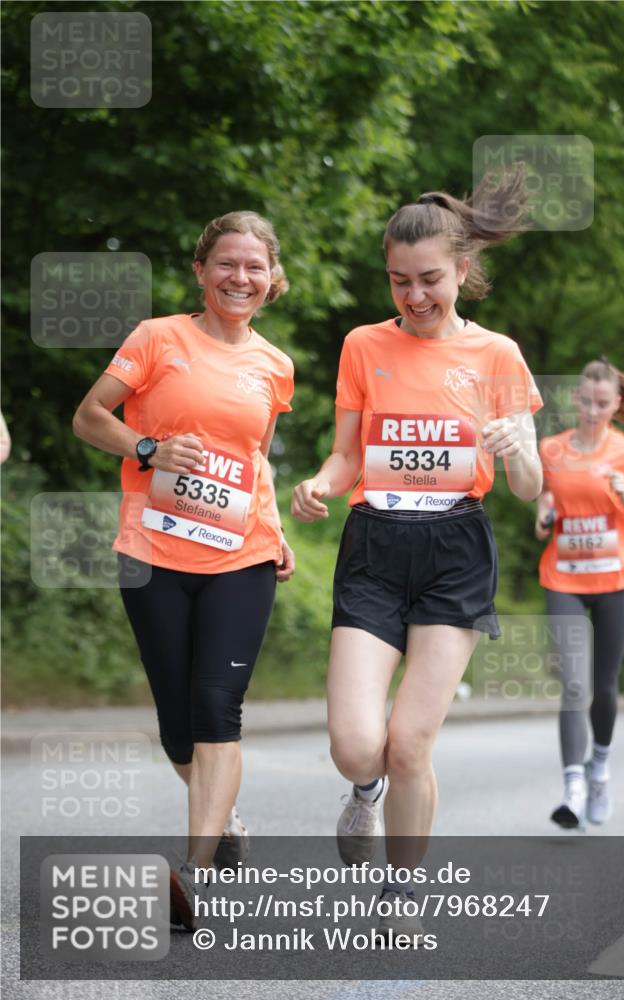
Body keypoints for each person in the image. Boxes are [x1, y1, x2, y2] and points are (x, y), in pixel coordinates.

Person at [292, 169, 543, 941]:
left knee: (411, 744)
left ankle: (401, 894)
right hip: (373, 544)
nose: (414, 296)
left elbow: (530, 486)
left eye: (429, 279)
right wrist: (318, 486)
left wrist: (515, 447)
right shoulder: (364, 345)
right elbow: (346, 456)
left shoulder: (496, 355)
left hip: (453, 548)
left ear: (461, 271)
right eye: (399, 281)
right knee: (357, 744)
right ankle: (361, 791)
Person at [73, 211, 295, 929]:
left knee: (215, 708)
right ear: (201, 271)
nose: (240, 277)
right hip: (151, 551)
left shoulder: (274, 365)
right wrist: (145, 449)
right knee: (177, 725)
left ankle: (195, 874)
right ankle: (224, 819)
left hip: (242, 554)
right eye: (226, 264)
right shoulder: (156, 338)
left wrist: (278, 527)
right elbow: (88, 417)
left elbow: (254, 456)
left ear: (271, 278)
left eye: (254, 267)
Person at [535, 358, 624, 829]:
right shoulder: (552, 449)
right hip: (564, 576)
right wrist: (546, 517)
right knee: (573, 684)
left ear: (617, 405)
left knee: (603, 687)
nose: (592, 410)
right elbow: (544, 509)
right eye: (585, 401)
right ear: (574, 399)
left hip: (615, 580)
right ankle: (572, 787)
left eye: (602, 404)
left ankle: (600, 768)